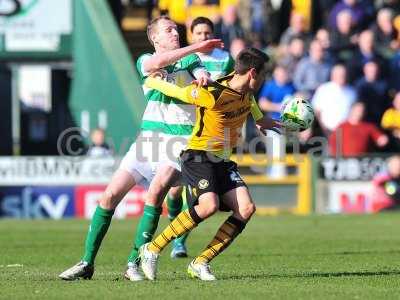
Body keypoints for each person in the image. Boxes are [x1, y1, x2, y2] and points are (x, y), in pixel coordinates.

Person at [58, 16, 223, 281]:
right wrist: (196, 47)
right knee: (109, 197)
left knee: (156, 191)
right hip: (148, 141)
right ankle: (86, 263)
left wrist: (203, 79)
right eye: (168, 30)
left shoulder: (192, 61)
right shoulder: (145, 60)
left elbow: (202, 74)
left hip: (179, 142)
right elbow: (156, 64)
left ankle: (132, 263)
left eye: (176, 30)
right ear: (154, 38)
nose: (175, 33)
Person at [138, 48, 279, 281]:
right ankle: (152, 249)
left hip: (222, 161)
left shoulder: (248, 95)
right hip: (198, 156)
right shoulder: (211, 92)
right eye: (263, 75)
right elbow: (180, 92)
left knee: (246, 209)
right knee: (208, 206)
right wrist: (152, 81)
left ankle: (200, 262)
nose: (264, 80)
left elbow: (259, 117)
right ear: (253, 73)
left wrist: (282, 124)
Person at [166, 16, 235, 259]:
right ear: (191, 36)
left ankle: (179, 242)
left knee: (193, 191)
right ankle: (174, 232)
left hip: (212, 131)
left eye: (208, 33)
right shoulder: (184, 58)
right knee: (174, 191)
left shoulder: (225, 60)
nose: (204, 37)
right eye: (199, 34)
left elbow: (235, 91)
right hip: (185, 126)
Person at [312, 64, 356, 136]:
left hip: (346, 132)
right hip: (326, 131)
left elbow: (354, 113)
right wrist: (323, 128)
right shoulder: (323, 89)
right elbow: (317, 111)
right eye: (339, 75)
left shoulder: (352, 92)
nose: (342, 77)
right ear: (333, 76)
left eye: (343, 74)